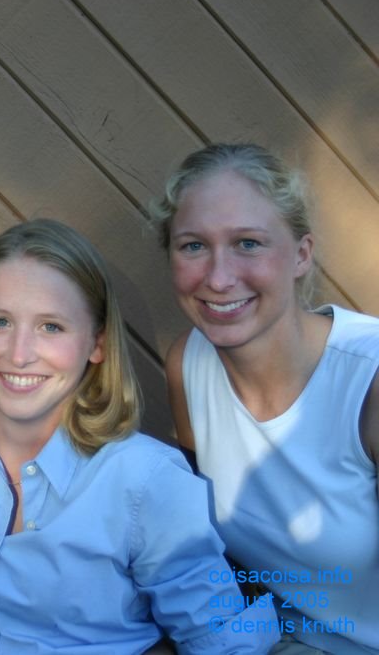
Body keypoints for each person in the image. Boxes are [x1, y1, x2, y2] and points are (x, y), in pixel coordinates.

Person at [0, 219, 278, 653]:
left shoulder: (144, 480)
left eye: (51, 327)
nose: (19, 355)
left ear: (97, 344)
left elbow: (223, 641)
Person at [154, 143, 379, 654]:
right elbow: (209, 551)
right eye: (193, 246)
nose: (218, 278)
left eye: (248, 243)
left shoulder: (368, 382)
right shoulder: (189, 364)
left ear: (301, 254)